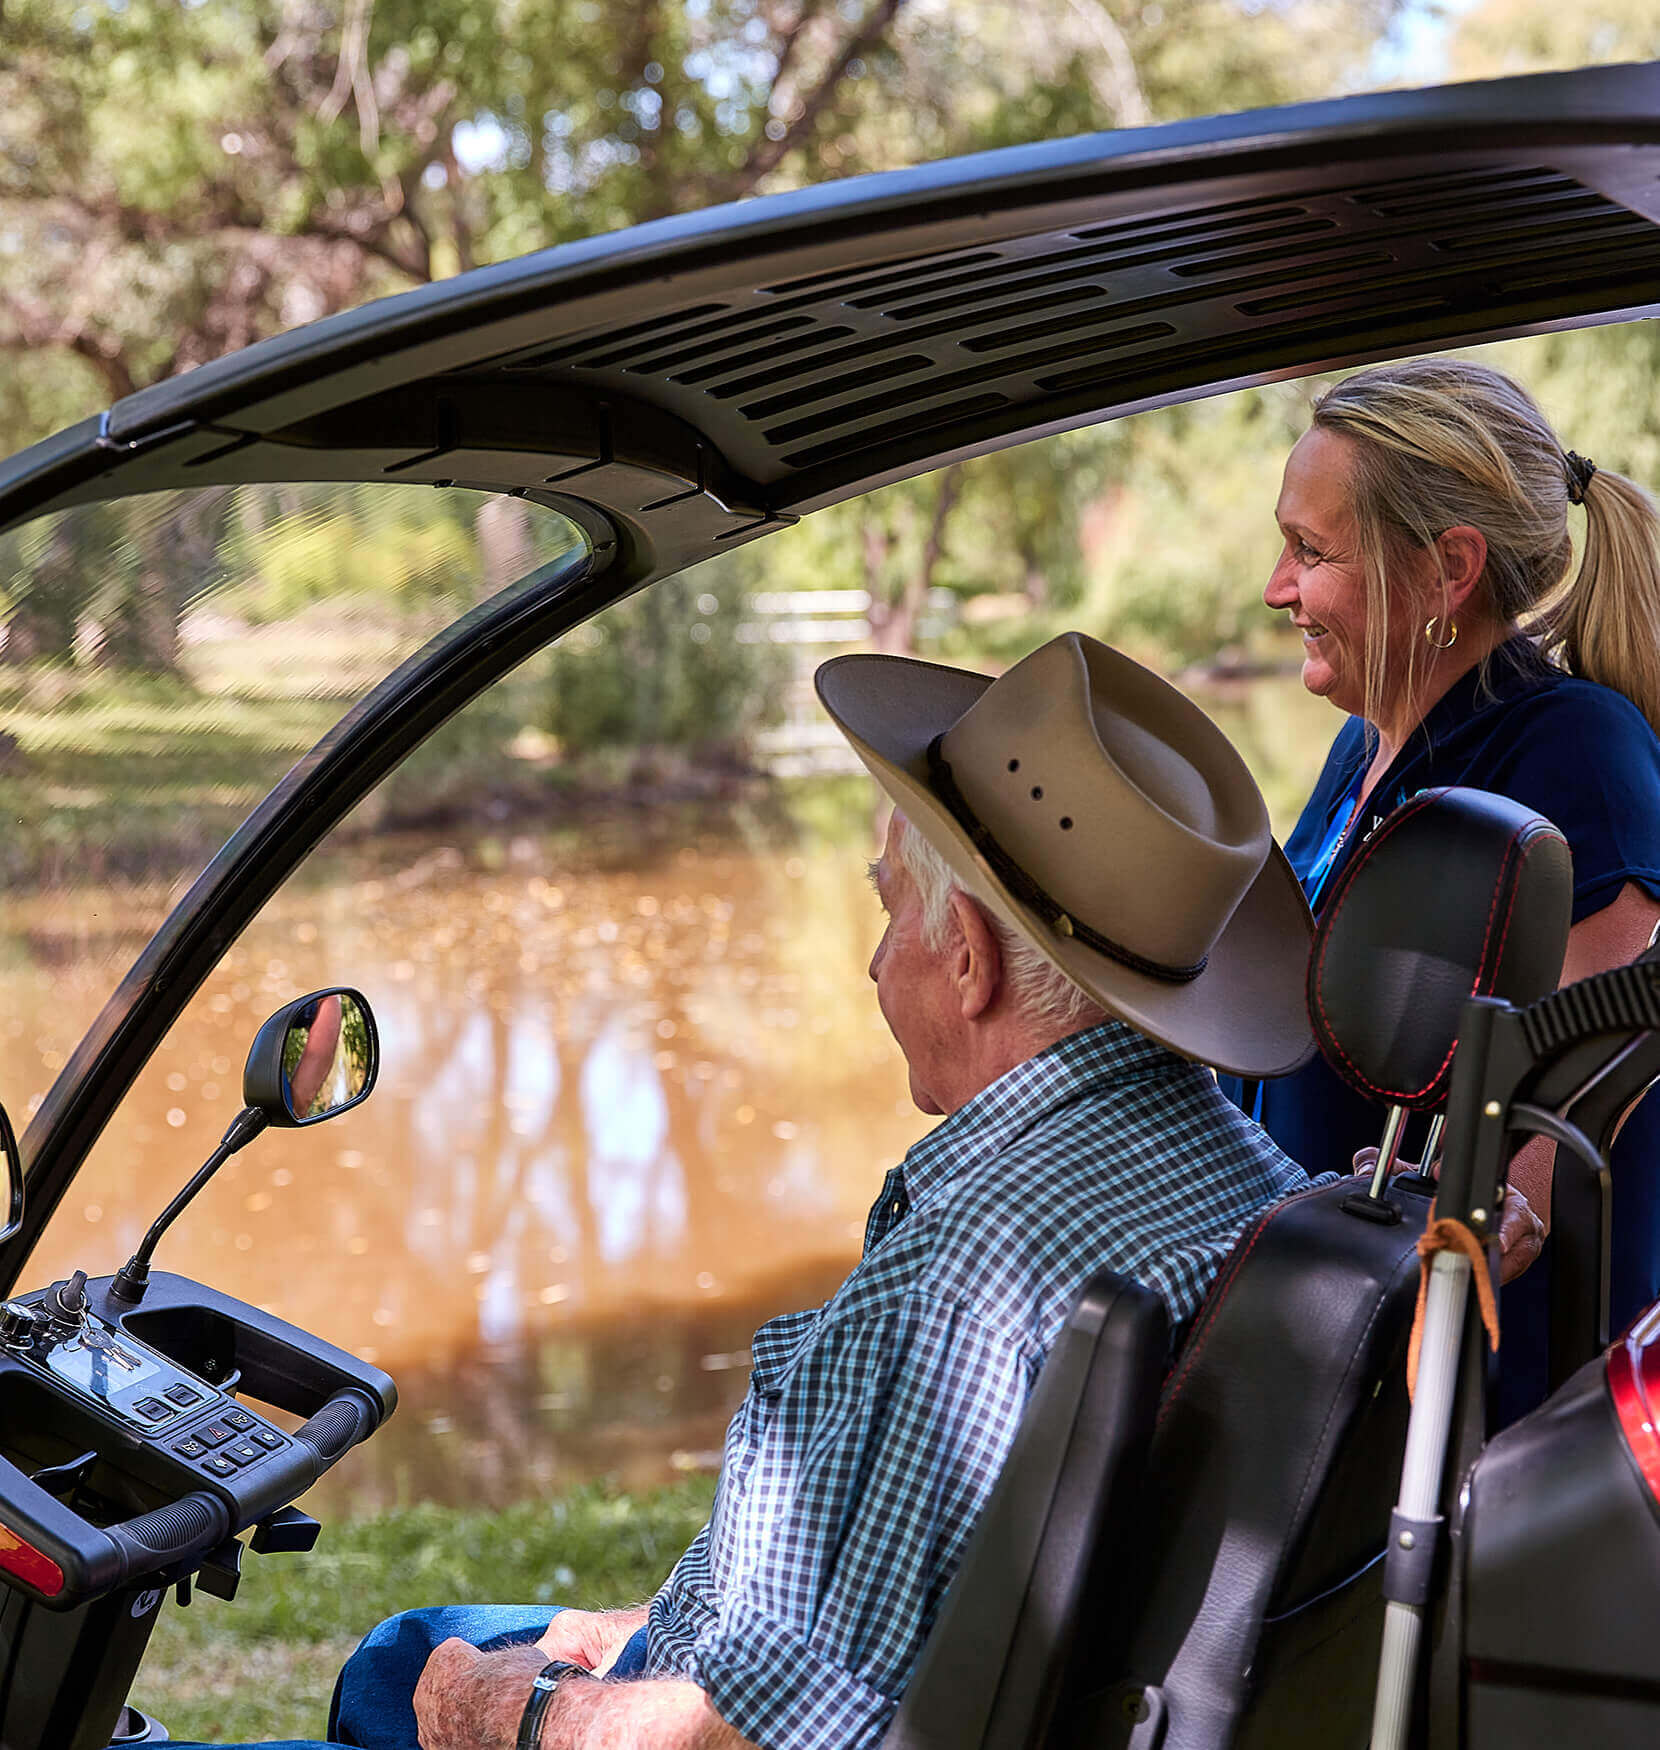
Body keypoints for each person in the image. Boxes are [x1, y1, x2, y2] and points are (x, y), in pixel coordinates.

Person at [178, 632, 1323, 1750]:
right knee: (404, 1648)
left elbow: (776, 1729)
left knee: (410, 1674)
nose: (875, 963)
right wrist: (634, 1630)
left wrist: (512, 1713)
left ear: (968, 958)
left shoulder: (972, 1276)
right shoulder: (1264, 1185)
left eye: (889, 911)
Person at [1222, 356, 1660, 1424]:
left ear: (1446, 570)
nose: (1277, 589)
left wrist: (1490, 1200)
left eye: (1310, 552)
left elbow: (1581, 1110)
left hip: (1476, 1410)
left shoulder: (1573, 751)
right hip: (1331, 1347)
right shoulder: (1365, 743)